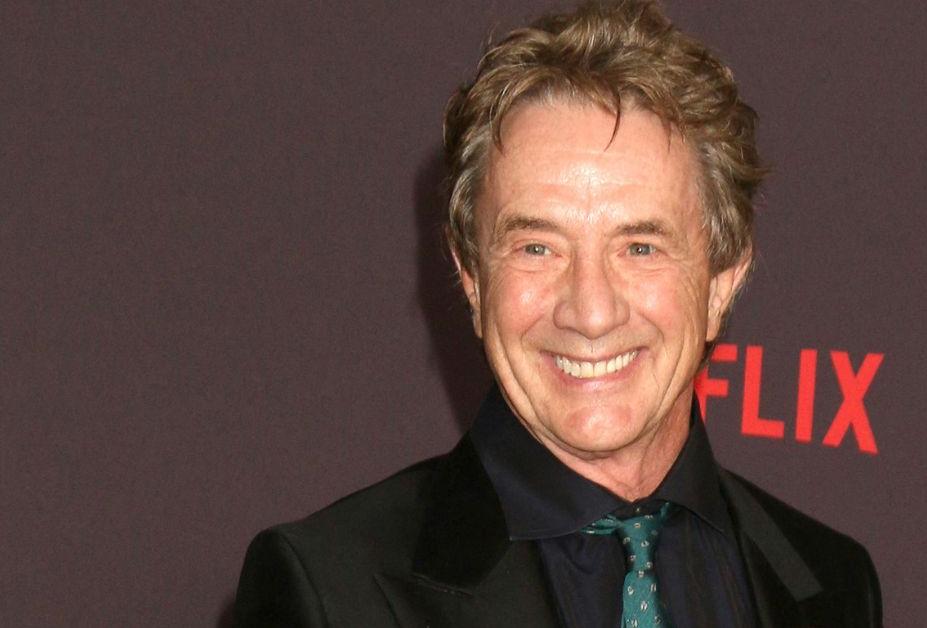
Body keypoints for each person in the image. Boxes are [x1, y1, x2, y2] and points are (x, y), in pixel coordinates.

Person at [233, 1, 881, 626]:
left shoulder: (831, 584)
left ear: (721, 284)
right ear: (472, 279)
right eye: (537, 248)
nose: (590, 312)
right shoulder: (329, 593)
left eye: (640, 247)